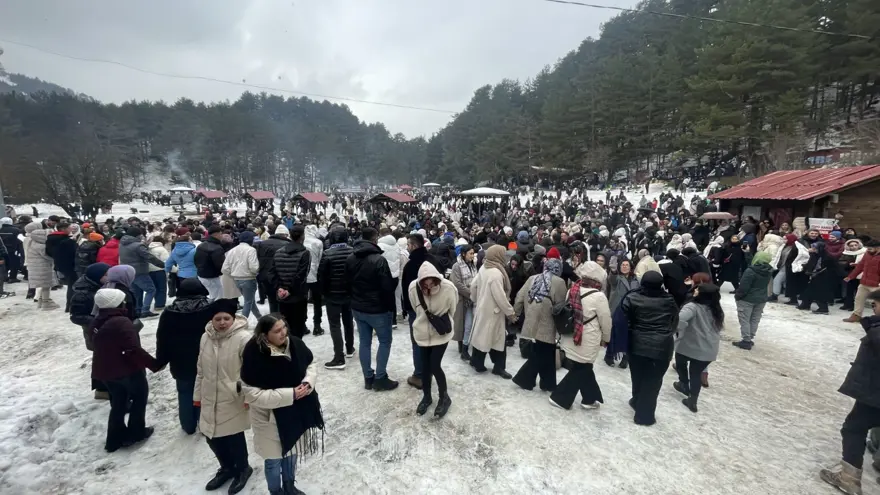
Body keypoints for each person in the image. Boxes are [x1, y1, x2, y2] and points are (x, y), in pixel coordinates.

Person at [240, 315, 324, 495]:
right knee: (273, 460)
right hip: (269, 418)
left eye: (284, 327)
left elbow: (311, 363)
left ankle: (289, 486)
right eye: (277, 331)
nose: (283, 333)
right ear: (264, 334)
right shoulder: (253, 354)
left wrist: (308, 382)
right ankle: (276, 491)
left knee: (291, 452)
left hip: (296, 413)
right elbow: (253, 395)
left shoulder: (294, 344)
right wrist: (291, 394)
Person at [819, 290, 880, 494]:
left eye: (876, 305)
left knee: (854, 428)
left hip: (874, 394)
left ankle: (849, 479)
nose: (874, 309)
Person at [90, 288, 162, 452]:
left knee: (118, 403)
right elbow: (133, 349)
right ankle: (137, 432)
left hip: (105, 371)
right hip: (126, 370)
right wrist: (154, 365)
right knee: (139, 399)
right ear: (116, 303)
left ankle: (114, 439)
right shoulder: (121, 322)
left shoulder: (97, 320)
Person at [195, 299, 253, 494]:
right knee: (211, 436)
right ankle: (227, 467)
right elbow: (200, 369)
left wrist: (247, 396)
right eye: (217, 318)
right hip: (209, 394)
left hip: (233, 395)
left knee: (233, 436)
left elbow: (252, 372)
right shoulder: (206, 337)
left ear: (233, 318)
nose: (222, 322)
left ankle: (243, 468)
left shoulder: (244, 338)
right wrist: (197, 395)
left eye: (226, 318)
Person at [155, 278, 214, 435]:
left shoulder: (169, 312)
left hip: (180, 360)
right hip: (206, 358)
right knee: (205, 391)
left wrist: (161, 360)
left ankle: (188, 425)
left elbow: (162, 338)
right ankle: (204, 423)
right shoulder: (210, 309)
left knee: (185, 392)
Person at [551, 261, 612, 410]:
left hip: (572, 335)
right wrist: (606, 338)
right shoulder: (599, 296)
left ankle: (590, 398)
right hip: (587, 339)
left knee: (583, 367)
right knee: (582, 367)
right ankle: (560, 398)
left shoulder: (573, 289)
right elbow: (605, 321)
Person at [622, 271, 679, 426]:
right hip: (662, 346)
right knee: (653, 381)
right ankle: (644, 413)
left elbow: (624, 319)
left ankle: (638, 403)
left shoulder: (632, 297)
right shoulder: (669, 300)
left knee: (637, 375)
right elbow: (674, 321)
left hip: (637, 344)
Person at [347, 227, 399, 391]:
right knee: (384, 341)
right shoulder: (378, 260)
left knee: (365, 342)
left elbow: (346, 283)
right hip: (378, 309)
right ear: (375, 239)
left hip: (358, 307)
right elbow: (387, 287)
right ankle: (380, 377)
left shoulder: (350, 258)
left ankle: (368, 377)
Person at [408, 261, 457, 417]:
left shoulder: (448, 288)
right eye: (425, 282)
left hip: (440, 334)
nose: (428, 285)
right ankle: (427, 397)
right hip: (422, 333)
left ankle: (444, 397)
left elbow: (452, 309)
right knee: (425, 367)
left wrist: (440, 323)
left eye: (431, 281)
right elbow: (415, 308)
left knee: (435, 365)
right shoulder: (413, 288)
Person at [512, 257, 567, 393]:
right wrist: (563, 326)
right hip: (546, 320)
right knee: (542, 351)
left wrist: (516, 314)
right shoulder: (559, 282)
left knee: (546, 351)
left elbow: (519, 296)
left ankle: (548, 383)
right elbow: (560, 306)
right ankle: (524, 379)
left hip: (531, 318)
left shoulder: (533, 278)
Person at [401, 233, 443, 390]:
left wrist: (408, 309)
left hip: (416, 310)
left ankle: (419, 375)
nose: (407, 247)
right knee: (431, 340)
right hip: (434, 307)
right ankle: (431, 370)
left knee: (418, 341)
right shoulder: (432, 261)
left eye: (408, 245)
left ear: (413, 245)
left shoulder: (411, 264)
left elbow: (407, 290)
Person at [673, 283, 723, 413]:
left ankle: (683, 383)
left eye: (697, 290)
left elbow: (678, 320)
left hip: (691, 345)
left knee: (680, 361)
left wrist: (680, 328)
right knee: (695, 373)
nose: (694, 291)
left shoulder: (692, 307)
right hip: (709, 349)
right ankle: (693, 400)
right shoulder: (717, 309)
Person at [469, 245, 517, 378]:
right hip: (494, 313)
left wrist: (476, 299)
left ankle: (476, 362)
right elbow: (500, 297)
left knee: (482, 337)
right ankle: (499, 367)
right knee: (498, 341)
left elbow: (473, 286)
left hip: (482, 309)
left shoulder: (484, 267)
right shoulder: (496, 273)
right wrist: (510, 312)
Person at [69, 262, 112, 398]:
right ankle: (102, 389)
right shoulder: (82, 293)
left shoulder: (98, 286)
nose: (108, 277)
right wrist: (97, 320)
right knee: (102, 358)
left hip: (103, 327)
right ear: (97, 276)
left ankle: (104, 388)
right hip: (93, 330)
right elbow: (76, 316)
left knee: (104, 357)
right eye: (106, 274)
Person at [319, 227, 355, 370]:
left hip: (332, 294)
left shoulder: (327, 253)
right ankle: (350, 348)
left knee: (335, 325)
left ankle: (339, 357)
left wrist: (323, 293)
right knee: (348, 321)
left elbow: (322, 276)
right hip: (349, 293)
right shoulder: (352, 251)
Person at [270, 226, 311, 339]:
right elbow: (301, 276)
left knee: (285, 325)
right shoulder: (305, 253)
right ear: (302, 236)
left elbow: (272, 273)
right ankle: (296, 352)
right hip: (298, 296)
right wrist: (289, 290)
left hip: (282, 296)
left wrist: (279, 288)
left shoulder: (278, 252)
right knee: (298, 327)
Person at [118, 227, 165, 317]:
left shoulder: (122, 244)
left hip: (127, 271)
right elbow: (149, 257)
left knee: (136, 292)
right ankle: (145, 309)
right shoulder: (138, 245)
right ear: (137, 235)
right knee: (151, 289)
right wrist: (162, 265)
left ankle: (137, 309)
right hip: (139, 271)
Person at [732, 252, 774, 350]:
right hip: (761, 299)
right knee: (755, 319)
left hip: (747, 298)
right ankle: (750, 338)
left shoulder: (751, 271)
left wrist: (738, 296)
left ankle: (746, 341)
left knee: (745, 319)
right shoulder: (769, 270)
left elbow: (743, 286)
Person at [222, 231, 262, 319]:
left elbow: (224, 268)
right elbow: (254, 267)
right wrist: (255, 273)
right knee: (248, 302)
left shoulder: (232, 250)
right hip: (248, 279)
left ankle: (259, 317)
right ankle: (243, 323)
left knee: (250, 300)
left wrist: (233, 275)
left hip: (236, 280)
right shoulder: (251, 250)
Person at [450, 245, 477, 361]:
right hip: (462, 299)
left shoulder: (473, 265)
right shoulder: (456, 266)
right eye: (470, 253)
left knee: (469, 325)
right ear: (463, 254)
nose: (472, 255)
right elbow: (457, 283)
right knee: (463, 324)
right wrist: (471, 293)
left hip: (472, 300)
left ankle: (464, 348)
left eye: (473, 253)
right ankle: (462, 347)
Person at [798, 241, 840, 314]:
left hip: (824, 277)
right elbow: (811, 264)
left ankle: (823, 309)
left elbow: (833, 268)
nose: (813, 249)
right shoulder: (815, 255)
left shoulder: (827, 257)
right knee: (809, 291)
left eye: (815, 248)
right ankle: (805, 305)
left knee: (820, 293)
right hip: (815, 276)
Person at [843, 240, 880, 324]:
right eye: (867, 248)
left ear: (878, 248)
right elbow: (861, 266)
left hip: (876, 284)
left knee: (878, 303)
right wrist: (851, 276)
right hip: (864, 282)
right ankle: (856, 315)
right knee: (858, 299)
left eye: (870, 249)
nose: (868, 250)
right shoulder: (867, 253)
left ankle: (878, 319)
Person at [256, 224, 290, 313]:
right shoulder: (287, 244)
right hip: (281, 277)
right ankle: (281, 320)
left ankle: (273, 318)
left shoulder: (262, 243)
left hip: (265, 276)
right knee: (282, 300)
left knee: (272, 299)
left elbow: (258, 259)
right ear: (285, 235)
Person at [25, 222, 58, 310]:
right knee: (46, 285)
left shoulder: (31, 241)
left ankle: (41, 301)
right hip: (43, 267)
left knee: (43, 285)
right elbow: (47, 255)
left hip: (34, 266)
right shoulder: (41, 245)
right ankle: (46, 303)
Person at [46, 221, 78, 311]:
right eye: (69, 228)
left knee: (70, 285)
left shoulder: (50, 239)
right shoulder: (67, 241)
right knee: (73, 285)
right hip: (71, 265)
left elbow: (48, 252)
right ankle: (71, 306)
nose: (71, 229)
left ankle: (70, 306)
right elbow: (75, 253)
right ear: (63, 229)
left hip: (59, 265)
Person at [194, 226, 227, 301]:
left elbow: (196, 260)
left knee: (213, 294)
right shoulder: (217, 248)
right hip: (211, 276)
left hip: (202, 274)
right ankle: (212, 310)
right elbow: (220, 265)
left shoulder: (201, 245)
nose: (222, 236)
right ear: (216, 234)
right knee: (217, 296)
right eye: (221, 234)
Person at [377, 228, 402, 327]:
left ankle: (385, 320)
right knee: (392, 297)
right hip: (395, 275)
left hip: (384, 275)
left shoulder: (380, 245)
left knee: (382, 298)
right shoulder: (396, 245)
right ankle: (393, 321)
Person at [303, 224, 325, 335]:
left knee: (302, 301)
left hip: (302, 274)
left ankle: (302, 324)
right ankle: (317, 325)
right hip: (315, 274)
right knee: (317, 301)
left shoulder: (301, 241)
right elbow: (320, 259)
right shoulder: (318, 243)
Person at [839, 239, 866, 313]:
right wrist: (848, 264)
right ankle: (848, 304)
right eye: (851, 246)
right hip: (849, 272)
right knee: (849, 290)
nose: (854, 247)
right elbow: (841, 262)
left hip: (860, 274)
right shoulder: (846, 253)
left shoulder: (864, 252)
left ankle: (856, 306)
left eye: (855, 245)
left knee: (858, 291)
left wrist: (857, 265)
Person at [146, 235, 169, 312]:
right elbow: (166, 261)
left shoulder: (147, 249)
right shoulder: (162, 249)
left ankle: (154, 302)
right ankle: (160, 304)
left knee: (154, 288)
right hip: (160, 270)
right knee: (162, 288)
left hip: (149, 271)